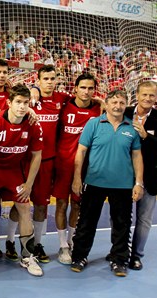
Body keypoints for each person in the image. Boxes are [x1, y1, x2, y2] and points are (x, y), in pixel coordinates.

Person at [70, 89, 144, 277]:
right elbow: (81, 152)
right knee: (86, 222)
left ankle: (119, 260)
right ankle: (79, 256)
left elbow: (137, 156)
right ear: (107, 103)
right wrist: (77, 178)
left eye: (122, 102)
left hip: (123, 185)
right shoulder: (94, 124)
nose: (118, 106)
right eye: (115, 102)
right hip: (94, 182)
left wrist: (138, 183)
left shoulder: (131, 128)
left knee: (122, 225)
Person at [0, 84, 44, 278]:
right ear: (9, 103)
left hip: (14, 172)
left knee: (24, 208)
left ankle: (28, 256)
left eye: (26, 102)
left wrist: (29, 184)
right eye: (18, 102)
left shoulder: (32, 124)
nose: (22, 107)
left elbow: (37, 155)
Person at [52, 73, 101, 264]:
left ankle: (72, 242)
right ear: (75, 89)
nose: (86, 92)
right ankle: (63, 245)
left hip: (86, 167)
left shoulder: (98, 110)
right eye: (83, 87)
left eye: (90, 88)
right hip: (63, 165)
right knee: (61, 204)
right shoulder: (64, 106)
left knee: (77, 205)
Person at [125, 81, 157, 270]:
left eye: (151, 96)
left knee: (144, 219)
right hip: (125, 175)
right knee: (120, 216)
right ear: (136, 94)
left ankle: (136, 255)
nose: (147, 99)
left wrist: (146, 136)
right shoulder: (125, 112)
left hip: (151, 177)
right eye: (144, 94)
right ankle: (120, 250)